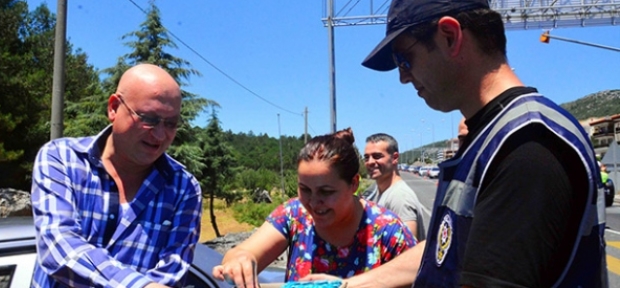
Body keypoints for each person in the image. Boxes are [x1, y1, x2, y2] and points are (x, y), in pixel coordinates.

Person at [305, 0, 607, 287]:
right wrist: (348, 285)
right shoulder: (489, 138)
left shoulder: (526, 146)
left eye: (405, 59)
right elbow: (442, 253)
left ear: (450, 36)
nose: (404, 77)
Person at [31, 64, 202, 288]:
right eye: (148, 118)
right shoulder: (61, 159)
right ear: (114, 107)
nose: (160, 135)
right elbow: (59, 249)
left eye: (170, 124)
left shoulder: (184, 189)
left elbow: (172, 273)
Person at [212, 128, 416, 287]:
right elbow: (244, 252)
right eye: (304, 189)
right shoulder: (295, 214)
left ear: (353, 184)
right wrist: (240, 261)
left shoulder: (386, 229)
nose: (313, 202)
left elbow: (423, 274)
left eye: (326, 192)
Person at [363, 133, 426, 241]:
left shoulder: (400, 198)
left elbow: (408, 250)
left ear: (395, 158)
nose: (370, 162)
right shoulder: (381, 193)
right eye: (366, 157)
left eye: (377, 156)